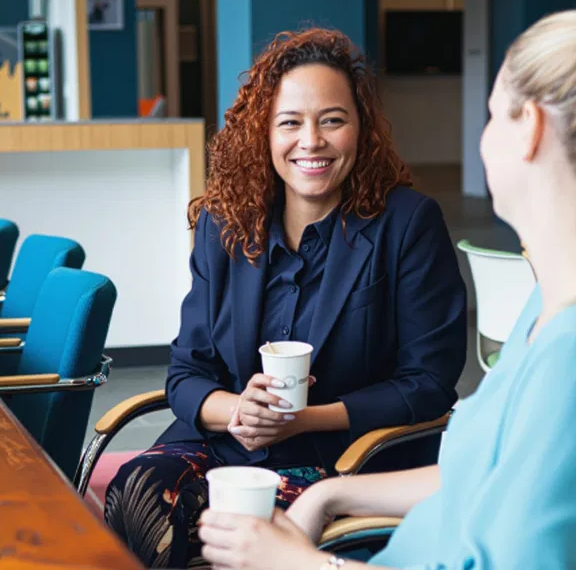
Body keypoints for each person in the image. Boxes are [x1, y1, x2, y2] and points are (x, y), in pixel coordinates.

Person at [197, 6, 576, 570]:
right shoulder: (561, 309)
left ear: (531, 128)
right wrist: (329, 496)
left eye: (491, 115)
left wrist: (299, 563)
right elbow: (482, 472)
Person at [104, 28, 468, 568]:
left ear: (361, 129)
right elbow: (186, 371)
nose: (311, 141)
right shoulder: (224, 225)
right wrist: (238, 411)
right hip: (224, 446)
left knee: (226, 536)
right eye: (290, 122)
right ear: (264, 133)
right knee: (140, 496)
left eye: (333, 120)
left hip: (340, 461)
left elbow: (429, 383)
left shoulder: (407, 224)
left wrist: (304, 418)